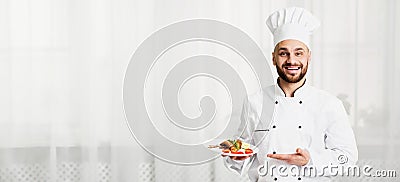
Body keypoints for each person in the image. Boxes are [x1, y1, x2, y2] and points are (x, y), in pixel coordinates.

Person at [223, 7, 358, 181]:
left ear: (309, 56)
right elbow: (240, 155)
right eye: (283, 53)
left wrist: (310, 160)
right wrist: (236, 157)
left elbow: (347, 157)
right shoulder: (254, 102)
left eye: (298, 53)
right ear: (273, 58)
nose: (291, 60)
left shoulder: (329, 105)